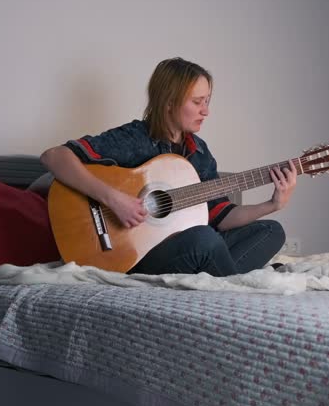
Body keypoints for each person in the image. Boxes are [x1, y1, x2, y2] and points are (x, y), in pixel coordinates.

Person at [40, 57, 296, 276]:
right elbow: (54, 156)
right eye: (197, 102)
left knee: (271, 230)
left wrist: (272, 205)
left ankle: (222, 280)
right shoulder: (135, 138)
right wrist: (115, 200)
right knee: (204, 239)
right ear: (169, 102)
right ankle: (236, 285)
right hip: (133, 254)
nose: (205, 111)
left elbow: (220, 216)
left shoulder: (200, 152)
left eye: (207, 101)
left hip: (187, 249)